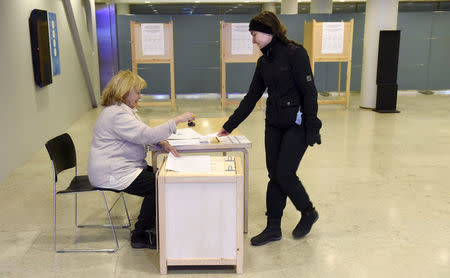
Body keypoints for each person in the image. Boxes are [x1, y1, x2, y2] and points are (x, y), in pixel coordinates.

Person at [218, 11, 322, 246]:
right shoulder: (264, 62)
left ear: (268, 31)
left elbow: (310, 92)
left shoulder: (296, 54)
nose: (253, 39)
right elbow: (252, 95)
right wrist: (229, 125)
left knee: (284, 173)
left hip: (297, 125)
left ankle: (308, 211)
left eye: (254, 34)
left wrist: (312, 126)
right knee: (274, 175)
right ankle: (273, 227)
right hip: (273, 124)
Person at [88, 70, 195, 249]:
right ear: (124, 92)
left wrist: (162, 142)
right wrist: (176, 120)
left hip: (121, 166)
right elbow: (145, 135)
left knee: (160, 176)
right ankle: (140, 234)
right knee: (157, 184)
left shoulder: (122, 110)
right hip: (111, 172)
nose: (140, 96)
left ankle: (153, 218)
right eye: (137, 92)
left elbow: (140, 132)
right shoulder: (117, 115)